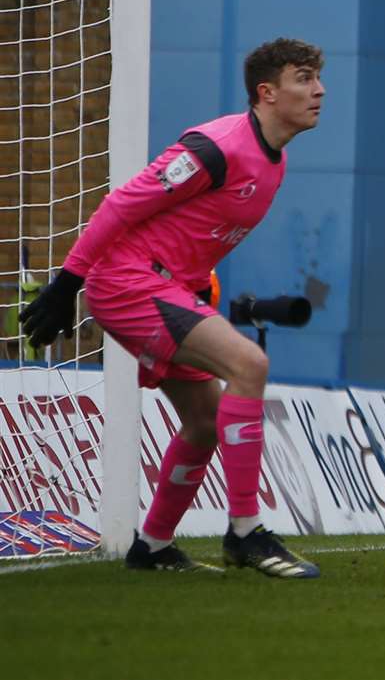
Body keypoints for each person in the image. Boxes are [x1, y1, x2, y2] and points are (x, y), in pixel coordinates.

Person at [19, 38, 328, 578]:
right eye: (304, 78)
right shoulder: (214, 148)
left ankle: (154, 546)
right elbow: (122, 204)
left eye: (318, 78)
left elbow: (190, 235)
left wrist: (196, 287)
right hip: (127, 283)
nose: (319, 90)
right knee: (249, 364)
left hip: (168, 288)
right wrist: (67, 282)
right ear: (267, 92)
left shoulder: (273, 162)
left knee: (206, 421)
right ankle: (246, 532)